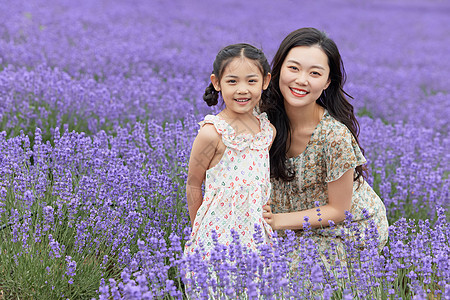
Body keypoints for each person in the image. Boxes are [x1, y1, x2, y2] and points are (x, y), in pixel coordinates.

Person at [260, 28, 389, 267]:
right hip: (286, 223)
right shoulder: (261, 119)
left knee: (282, 276)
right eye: (294, 68)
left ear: (328, 82)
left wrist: (276, 221)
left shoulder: (334, 136)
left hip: (342, 230)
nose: (301, 80)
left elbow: (338, 211)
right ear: (277, 71)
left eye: (315, 73)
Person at [184, 43, 276, 259]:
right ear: (216, 83)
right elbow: (193, 183)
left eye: (251, 81)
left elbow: (262, 182)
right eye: (232, 81)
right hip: (216, 236)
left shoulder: (267, 132)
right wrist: (198, 229)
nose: (242, 89)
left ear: (265, 81)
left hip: (256, 237)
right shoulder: (212, 133)